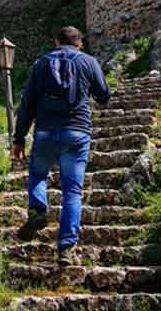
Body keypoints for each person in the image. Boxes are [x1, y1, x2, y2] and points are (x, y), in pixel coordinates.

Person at [12, 25, 110, 265]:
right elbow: (104, 94)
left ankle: (38, 211)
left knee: (37, 175)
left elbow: (27, 104)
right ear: (80, 44)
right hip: (77, 133)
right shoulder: (88, 61)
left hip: (45, 132)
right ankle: (66, 247)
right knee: (72, 192)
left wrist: (19, 138)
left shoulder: (40, 64)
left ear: (56, 42)